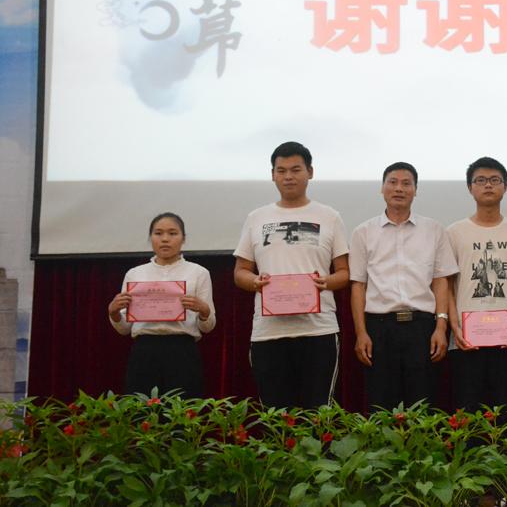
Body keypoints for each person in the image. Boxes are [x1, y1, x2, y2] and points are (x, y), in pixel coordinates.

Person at [233, 141, 349, 410]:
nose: (288, 177)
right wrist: (255, 282)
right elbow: (240, 273)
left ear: (310, 172)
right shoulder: (256, 218)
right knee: (275, 416)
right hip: (268, 332)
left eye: (296, 170)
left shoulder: (329, 217)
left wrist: (325, 282)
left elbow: (344, 273)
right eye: (281, 170)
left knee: (319, 412)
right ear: (272, 175)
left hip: (318, 329)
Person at [350, 162, 458, 411]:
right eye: (393, 182)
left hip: (422, 328)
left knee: (423, 405)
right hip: (379, 329)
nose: (399, 188)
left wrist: (441, 327)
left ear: (415, 190)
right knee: (381, 406)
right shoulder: (363, 232)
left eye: (406, 183)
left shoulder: (434, 230)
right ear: (382, 188)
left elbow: (441, 281)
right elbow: (358, 286)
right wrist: (361, 333)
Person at [447, 157, 507, 413]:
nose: (488, 185)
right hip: (465, 339)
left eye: (495, 180)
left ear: (505, 186)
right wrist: (454, 326)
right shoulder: (454, 232)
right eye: (481, 180)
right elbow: (447, 286)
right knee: (467, 413)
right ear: (470, 187)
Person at [109, 212, 215, 397]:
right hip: (144, 351)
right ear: (150, 237)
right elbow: (124, 329)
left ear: (183, 238)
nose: (165, 239)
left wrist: (204, 311)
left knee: (183, 410)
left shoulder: (198, 273)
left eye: (173, 233)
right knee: (141, 410)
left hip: (182, 350)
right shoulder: (135, 274)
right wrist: (114, 313)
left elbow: (207, 326)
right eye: (158, 233)